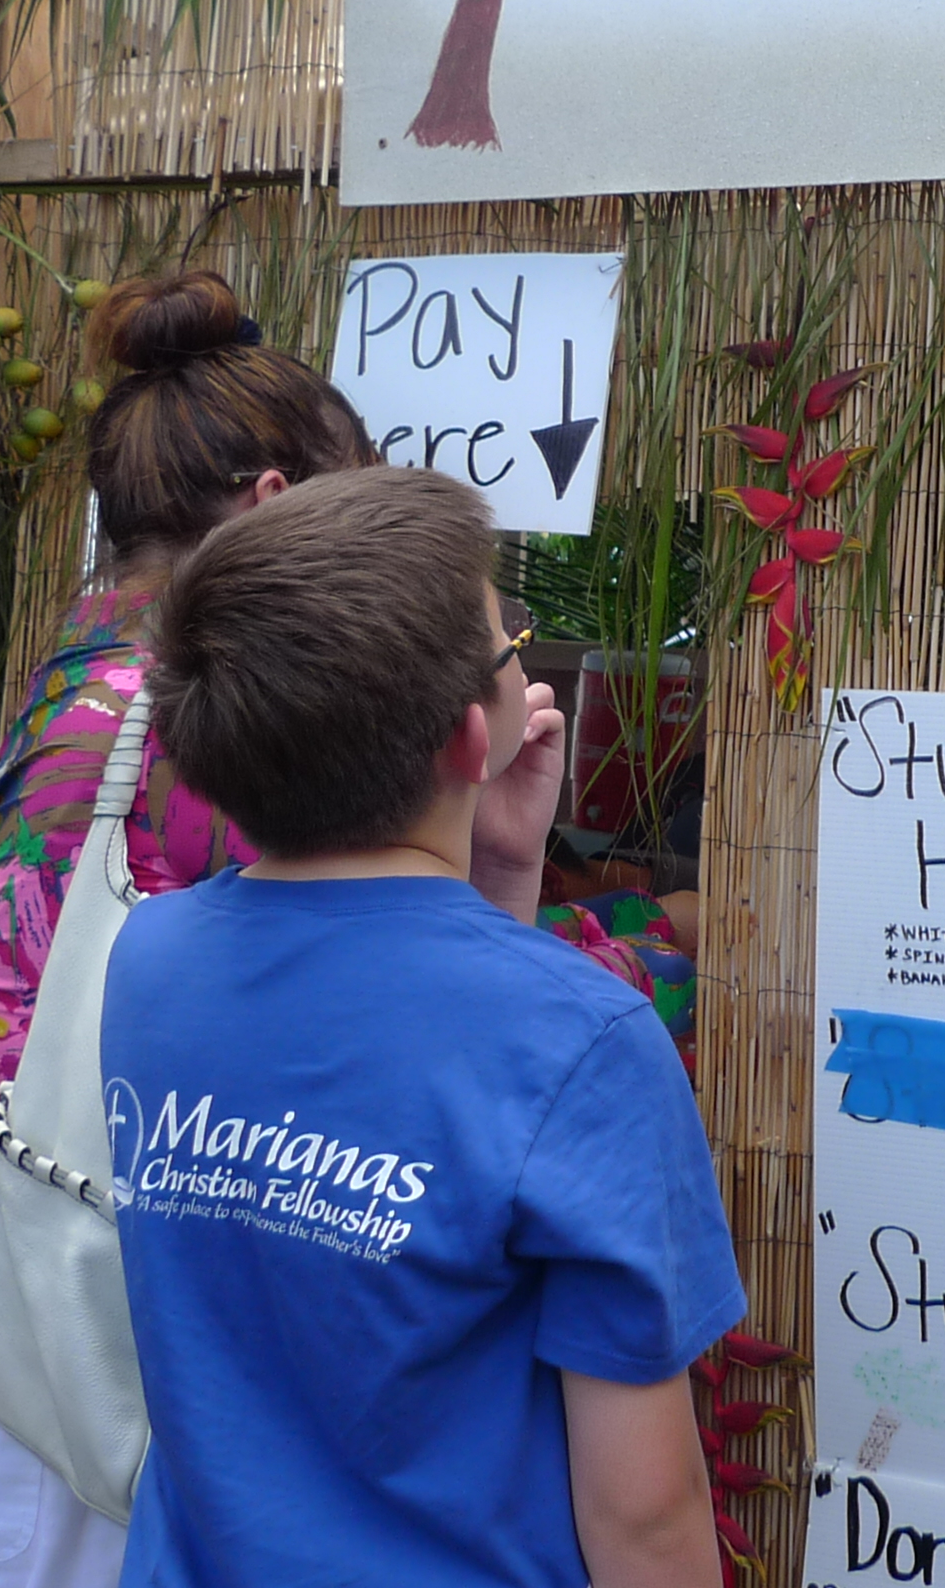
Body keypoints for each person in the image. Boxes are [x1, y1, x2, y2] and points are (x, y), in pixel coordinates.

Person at [0, 274, 569, 1588]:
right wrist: (507, 859)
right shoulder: (220, 735)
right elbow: (423, 1039)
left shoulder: (71, 685)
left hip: (10, 1345)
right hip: (152, 1397)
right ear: (276, 508)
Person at [102, 466, 742, 1588]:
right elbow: (644, 1515)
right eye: (512, 647)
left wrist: (497, 870)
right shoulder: (586, 1042)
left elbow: (410, 1044)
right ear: (467, 736)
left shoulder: (150, 960)